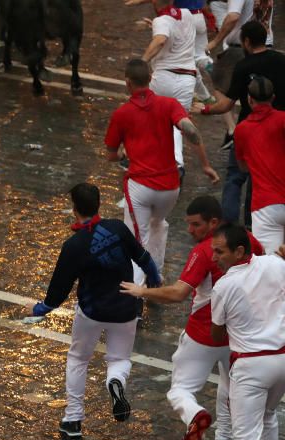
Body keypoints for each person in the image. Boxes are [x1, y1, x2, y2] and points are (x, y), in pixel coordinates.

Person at [121, 196, 263, 440]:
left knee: (180, 390)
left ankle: (196, 415)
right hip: (239, 335)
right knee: (229, 385)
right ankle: (224, 439)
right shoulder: (248, 241)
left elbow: (178, 293)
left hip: (203, 334)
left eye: (196, 224)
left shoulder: (203, 252)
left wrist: (142, 291)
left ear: (213, 222)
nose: (190, 230)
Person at [28, 183, 162, 438]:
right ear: (98, 204)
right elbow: (143, 257)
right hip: (126, 306)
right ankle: (116, 383)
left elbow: (58, 291)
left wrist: (39, 309)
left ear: (74, 209)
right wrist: (154, 281)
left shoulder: (74, 246)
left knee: (78, 358)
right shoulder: (117, 228)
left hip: (92, 311)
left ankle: (73, 420)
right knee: (119, 359)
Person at [105, 58, 218, 284]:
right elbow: (190, 132)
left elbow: (110, 154)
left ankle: (135, 295)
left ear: (128, 83)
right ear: (150, 78)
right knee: (158, 224)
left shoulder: (122, 114)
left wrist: (122, 155)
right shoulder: (169, 105)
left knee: (137, 240)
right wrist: (205, 164)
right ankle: (156, 276)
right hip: (170, 186)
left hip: (140, 185)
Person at [210, 224, 285, 440]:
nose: (214, 257)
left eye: (220, 252)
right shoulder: (275, 265)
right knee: (268, 418)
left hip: (251, 366)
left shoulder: (224, 285)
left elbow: (216, 333)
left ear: (239, 251)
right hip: (281, 360)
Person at [196, 21, 285, 226]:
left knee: (235, 177)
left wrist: (205, 108)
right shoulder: (282, 60)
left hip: (249, 128)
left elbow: (226, 104)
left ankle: (228, 224)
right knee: (260, 177)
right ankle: (250, 222)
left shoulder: (244, 66)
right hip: (277, 130)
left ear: (246, 41)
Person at [139, 0, 200, 168]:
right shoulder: (186, 14)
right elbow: (175, 30)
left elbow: (160, 40)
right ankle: (177, 162)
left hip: (164, 77)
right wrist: (154, 25)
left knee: (149, 119)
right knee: (177, 123)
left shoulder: (162, 21)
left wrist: (142, 62)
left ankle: (141, 159)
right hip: (187, 80)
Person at [233, 77, 285, 251]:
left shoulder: (241, 129)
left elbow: (242, 167)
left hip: (265, 205)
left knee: (270, 265)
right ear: (273, 97)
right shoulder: (283, 119)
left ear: (249, 99)